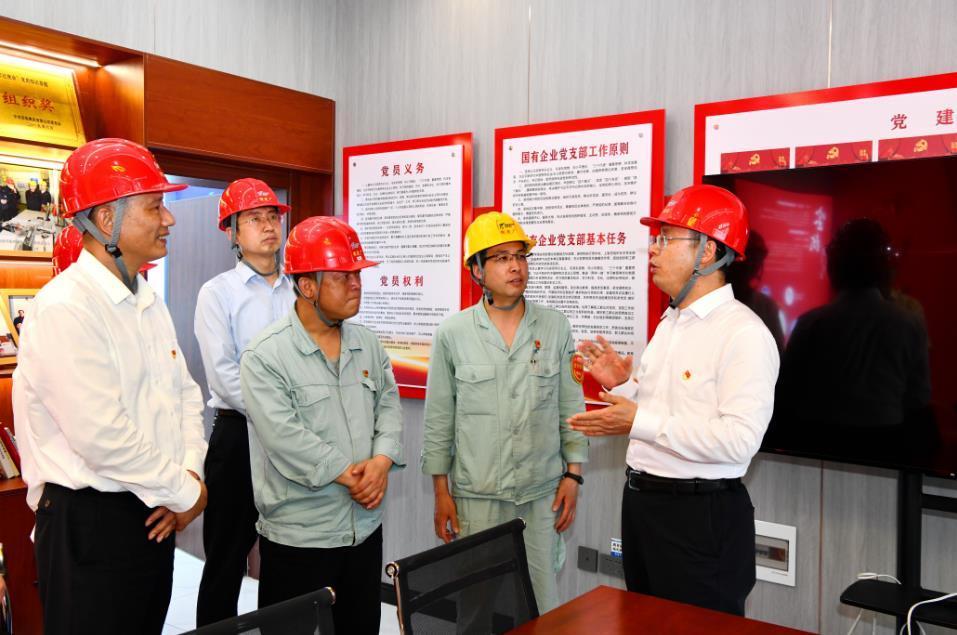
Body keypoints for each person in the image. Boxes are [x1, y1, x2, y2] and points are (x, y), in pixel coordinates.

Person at [12, 138, 208, 635]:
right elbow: (101, 435)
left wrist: (187, 475)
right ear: (106, 220)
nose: (169, 219)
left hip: (153, 508)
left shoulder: (147, 301)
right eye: (155, 207)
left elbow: (184, 396)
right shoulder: (64, 307)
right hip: (89, 524)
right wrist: (186, 491)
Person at [569, 184, 779, 616]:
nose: (653, 249)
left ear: (707, 251)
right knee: (644, 622)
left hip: (699, 517)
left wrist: (638, 420)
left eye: (666, 239)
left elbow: (739, 441)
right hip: (644, 507)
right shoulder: (671, 322)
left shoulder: (743, 333)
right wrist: (623, 385)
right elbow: (665, 408)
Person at [422, 211, 588, 623]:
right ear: (476, 270)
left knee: (542, 608)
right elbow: (439, 418)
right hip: (477, 497)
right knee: (475, 610)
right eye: (500, 258)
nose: (515, 266)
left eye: (520, 256)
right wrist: (441, 492)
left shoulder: (554, 327)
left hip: (540, 494)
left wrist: (574, 475)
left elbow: (571, 406)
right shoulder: (453, 333)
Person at [240, 215, 403, 635]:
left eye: (357, 275)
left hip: (362, 531)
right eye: (342, 276)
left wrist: (382, 462)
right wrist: (350, 475)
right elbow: (284, 437)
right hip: (300, 537)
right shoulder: (266, 355)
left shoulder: (367, 344)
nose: (356, 285)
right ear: (308, 286)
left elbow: (388, 406)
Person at [194, 178, 295, 626]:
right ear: (232, 232)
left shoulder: (300, 290)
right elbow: (224, 374)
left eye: (273, 216)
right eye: (254, 218)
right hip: (239, 435)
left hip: (294, 438)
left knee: (286, 552)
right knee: (226, 558)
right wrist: (281, 415)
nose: (269, 225)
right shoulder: (218, 293)